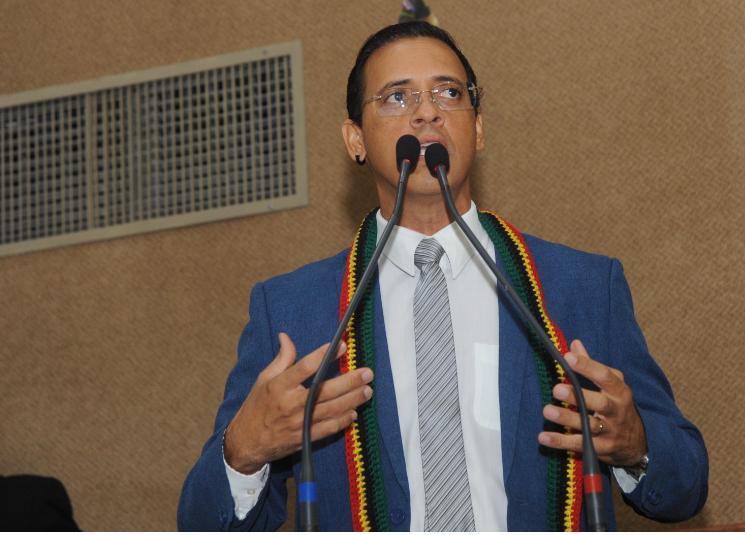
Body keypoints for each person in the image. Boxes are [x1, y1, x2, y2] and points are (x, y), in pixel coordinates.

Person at [178, 21, 707, 531]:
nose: (427, 112)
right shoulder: (294, 310)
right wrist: (243, 451)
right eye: (397, 97)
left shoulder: (583, 287)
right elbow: (201, 523)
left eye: (449, 93)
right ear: (355, 139)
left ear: (477, 128)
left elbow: (686, 485)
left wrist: (638, 446)